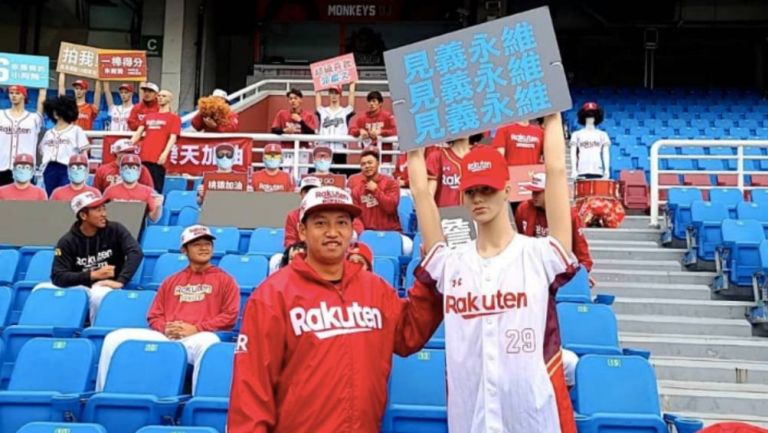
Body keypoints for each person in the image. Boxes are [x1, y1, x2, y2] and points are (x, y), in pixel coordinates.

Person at [408, 113, 578, 433]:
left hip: (533, 417)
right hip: (470, 419)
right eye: (472, 191)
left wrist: (552, 115)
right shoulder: (450, 262)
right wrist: (412, 139)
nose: (479, 198)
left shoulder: (539, 254)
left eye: (488, 188)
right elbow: (420, 191)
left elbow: (555, 171)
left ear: (508, 189)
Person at [227, 186, 443, 433]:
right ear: (302, 231)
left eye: (342, 223)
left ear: (352, 230)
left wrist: (429, 281)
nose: (332, 232)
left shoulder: (375, 289)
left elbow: (408, 334)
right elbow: (251, 390)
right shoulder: (272, 295)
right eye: (320, 223)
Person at [95, 224, 240, 392]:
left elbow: (230, 315)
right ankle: (102, 393)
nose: (203, 248)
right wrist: (166, 328)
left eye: (207, 244)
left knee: (209, 342)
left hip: (195, 339)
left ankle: (197, 400)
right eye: (196, 244)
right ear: (184, 250)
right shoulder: (171, 281)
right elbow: (154, 315)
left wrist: (197, 329)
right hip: (166, 336)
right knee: (114, 338)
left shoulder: (226, 280)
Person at [48, 190, 143, 322]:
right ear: (83, 215)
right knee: (41, 289)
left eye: (104, 208)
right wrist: (92, 275)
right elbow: (57, 276)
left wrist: (120, 281)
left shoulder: (115, 230)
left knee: (99, 294)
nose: (104, 214)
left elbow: (136, 252)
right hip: (80, 286)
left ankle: (94, 332)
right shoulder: (67, 241)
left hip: (107, 285)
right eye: (98, 210)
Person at [516, 172, 594, 275]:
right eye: (533, 192)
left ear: (550, 191)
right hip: (532, 266)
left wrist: (583, 272)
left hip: (559, 269)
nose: (533, 195)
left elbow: (580, 245)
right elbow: (520, 238)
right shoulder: (523, 209)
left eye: (538, 192)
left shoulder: (568, 214)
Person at [283, 176, 364, 248]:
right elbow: (289, 240)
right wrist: (296, 249)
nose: (332, 233)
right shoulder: (293, 215)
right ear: (300, 194)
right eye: (306, 191)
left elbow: (358, 225)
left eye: (341, 222)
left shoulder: (333, 210)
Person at [130, 89, 181, 194]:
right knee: (142, 187)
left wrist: (165, 154)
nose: (161, 98)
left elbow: (173, 138)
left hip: (158, 158)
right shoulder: (149, 116)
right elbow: (137, 134)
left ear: (170, 99)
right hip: (144, 157)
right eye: (159, 95)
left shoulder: (174, 118)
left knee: (156, 189)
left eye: (164, 96)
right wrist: (127, 145)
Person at [39, 96, 89, 196]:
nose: (55, 113)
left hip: (67, 168)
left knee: (66, 196)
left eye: (58, 110)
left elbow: (84, 153)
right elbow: (42, 150)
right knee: (51, 196)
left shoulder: (76, 130)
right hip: (49, 168)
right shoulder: (49, 133)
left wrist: (84, 172)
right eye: (53, 110)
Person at [0, 85, 45, 186]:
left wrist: (42, 84)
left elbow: (42, 99)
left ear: (24, 95)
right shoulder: (1, 115)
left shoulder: (34, 118)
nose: (13, 96)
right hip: (2, 166)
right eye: (11, 93)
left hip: (26, 169)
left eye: (17, 93)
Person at [349, 146, 402, 232]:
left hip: (391, 233)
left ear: (378, 163)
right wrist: (362, 234)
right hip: (368, 234)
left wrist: (376, 190)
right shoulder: (357, 190)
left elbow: (390, 208)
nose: (367, 166)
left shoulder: (391, 183)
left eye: (370, 163)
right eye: (363, 164)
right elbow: (356, 217)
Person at [103, 154, 164, 223]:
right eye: (126, 168)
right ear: (120, 170)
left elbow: (154, 219)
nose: (129, 171)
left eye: (134, 168)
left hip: (138, 230)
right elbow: (103, 214)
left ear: (139, 171)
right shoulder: (110, 191)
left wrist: (159, 206)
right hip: (115, 230)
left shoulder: (148, 192)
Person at [426, 135, 476, 207]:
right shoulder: (437, 157)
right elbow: (429, 196)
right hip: (446, 215)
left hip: (474, 214)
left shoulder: (481, 154)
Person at [349, 91, 397, 162]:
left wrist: (381, 132)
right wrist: (360, 131)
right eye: (369, 101)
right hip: (368, 159)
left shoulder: (387, 116)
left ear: (380, 103)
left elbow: (396, 130)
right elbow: (351, 130)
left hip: (384, 158)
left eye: (374, 101)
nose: (371, 103)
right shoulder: (362, 118)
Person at [570, 102, 610, 179]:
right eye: (588, 116)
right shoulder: (576, 134)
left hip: (598, 170)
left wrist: (606, 170)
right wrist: (574, 170)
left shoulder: (602, 135)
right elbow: (573, 153)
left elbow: (605, 153)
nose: (590, 118)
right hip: (582, 170)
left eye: (592, 116)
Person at [315, 82, 356, 156]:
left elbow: (351, 103)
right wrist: (317, 83)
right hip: (324, 150)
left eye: (336, 93)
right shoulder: (322, 111)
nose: (334, 95)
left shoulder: (345, 111)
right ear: (329, 94)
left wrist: (352, 85)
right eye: (331, 93)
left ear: (340, 95)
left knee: (339, 167)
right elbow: (317, 92)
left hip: (340, 150)